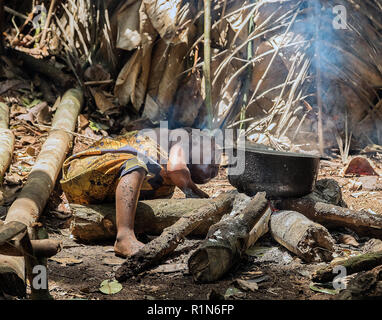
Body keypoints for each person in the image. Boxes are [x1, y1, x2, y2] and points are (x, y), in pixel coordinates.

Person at [60, 127, 221, 257]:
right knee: (138, 163)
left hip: (93, 191)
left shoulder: (162, 173)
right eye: (214, 157)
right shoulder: (188, 136)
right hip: (83, 169)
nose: (215, 167)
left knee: (160, 185)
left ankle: (128, 228)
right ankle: (124, 236)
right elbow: (177, 169)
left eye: (215, 168)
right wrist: (195, 191)